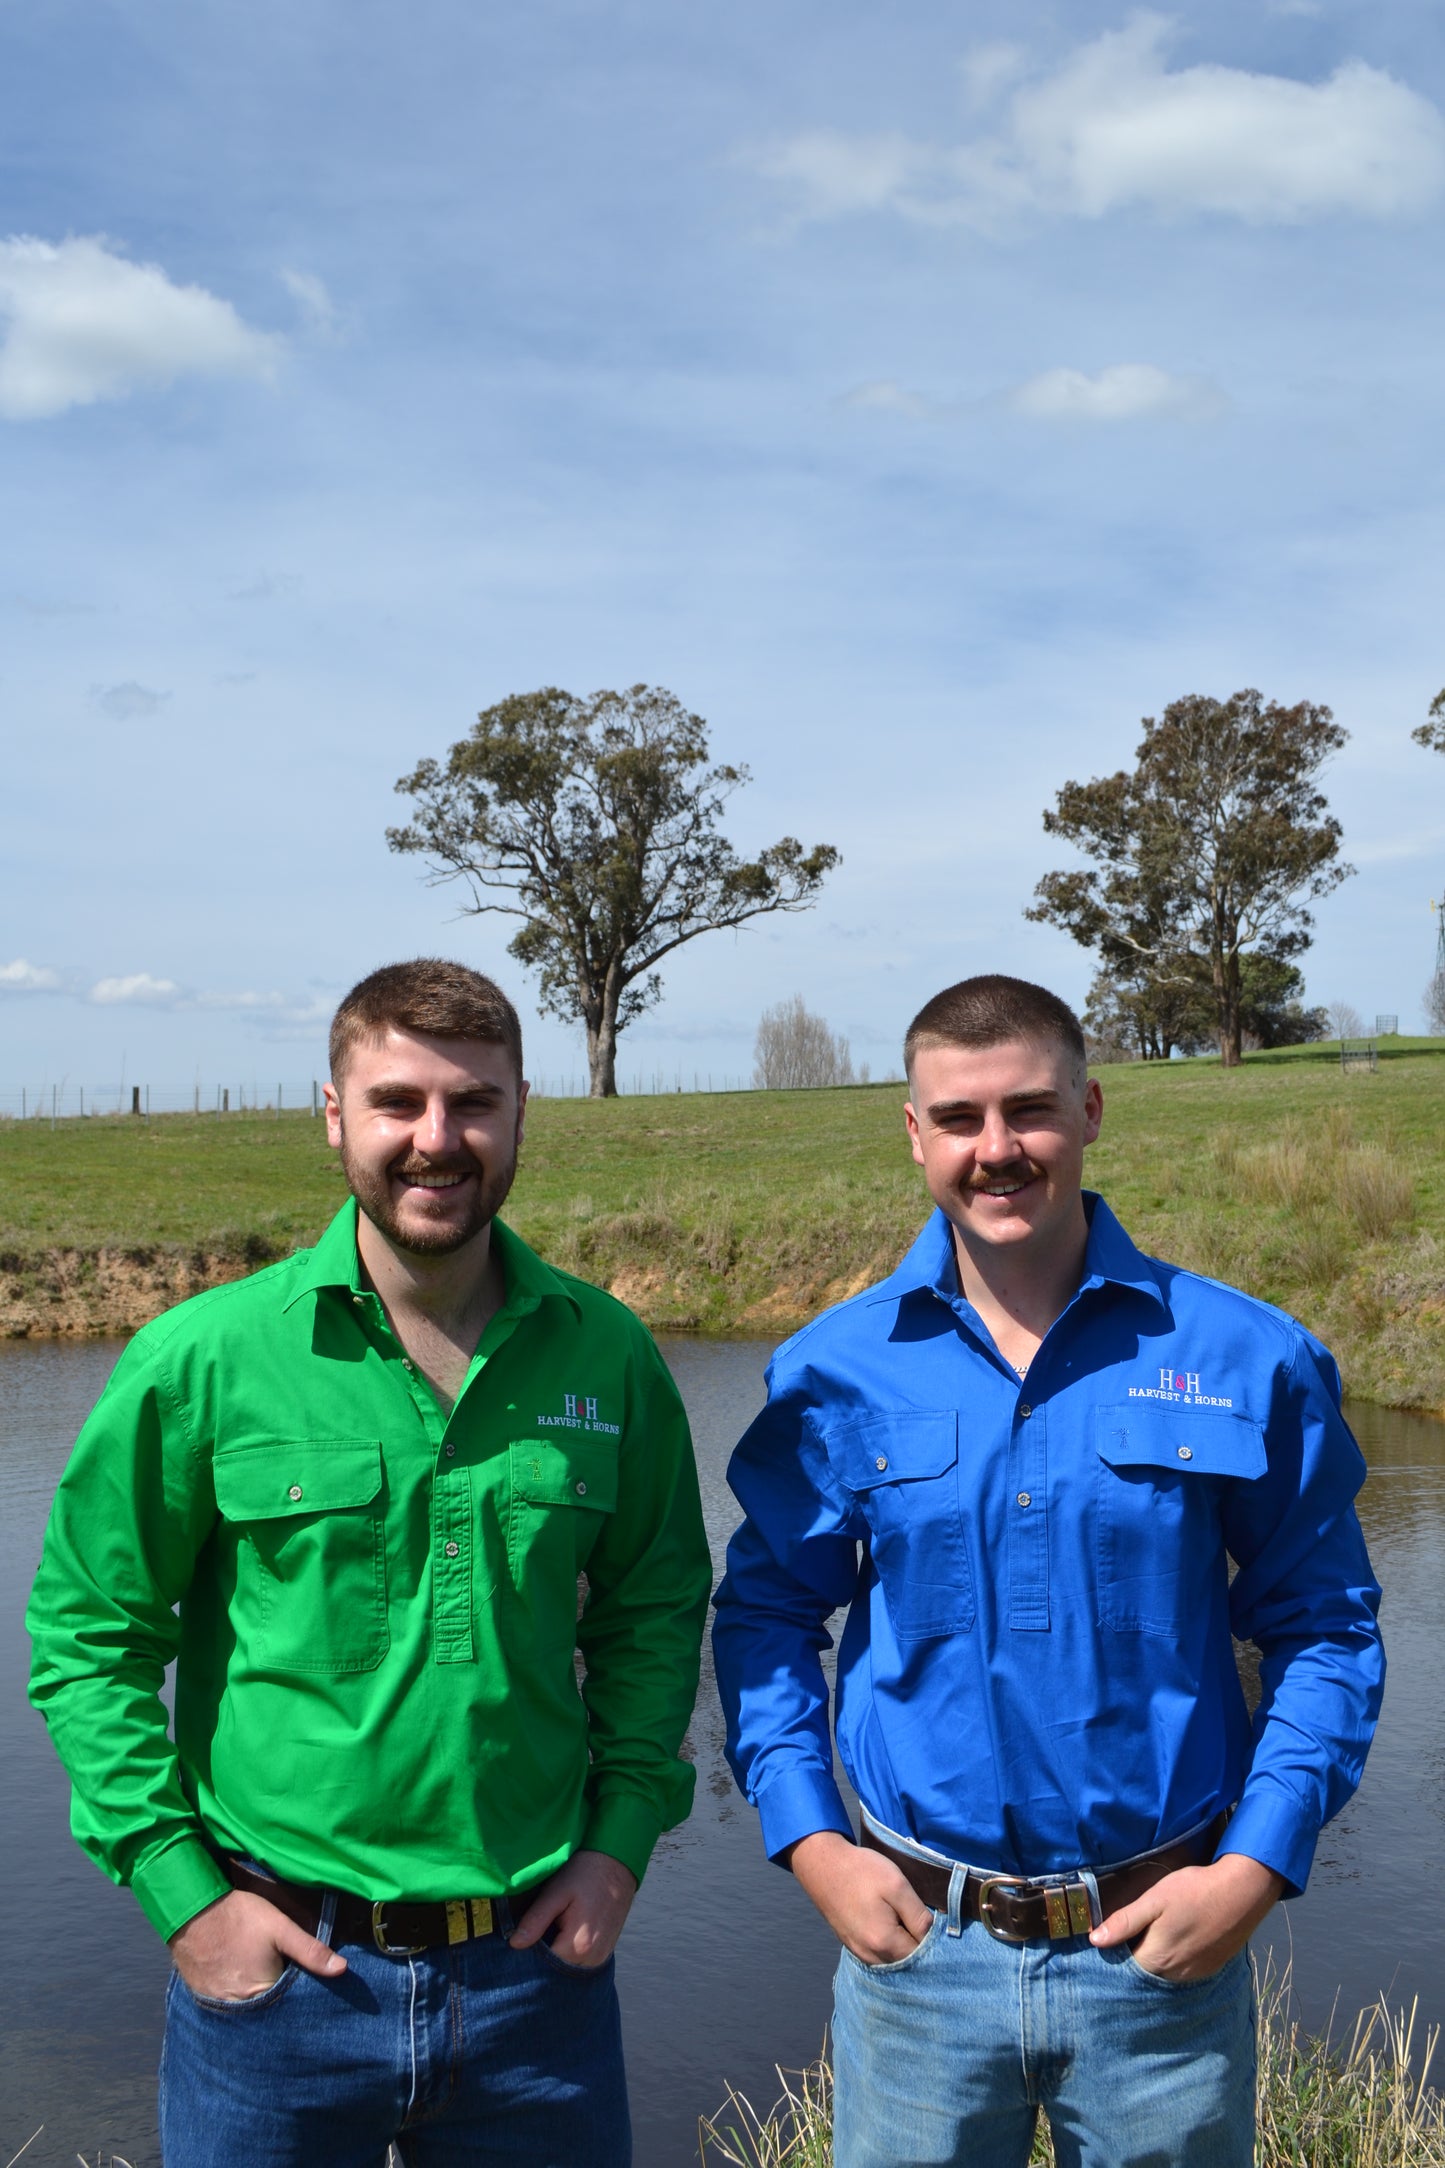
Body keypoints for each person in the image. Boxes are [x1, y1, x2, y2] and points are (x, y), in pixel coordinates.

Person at [28, 957, 711, 2167]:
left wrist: (619, 1841)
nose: (435, 1138)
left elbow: (655, 1612)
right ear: (335, 1114)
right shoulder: (204, 1360)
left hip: (535, 1984)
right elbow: (88, 1637)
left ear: (518, 1115)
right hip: (276, 1985)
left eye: (473, 1101)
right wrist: (180, 1889)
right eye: (398, 1100)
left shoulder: (604, 1354)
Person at [712, 973, 1384, 2168]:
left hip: (1160, 1959)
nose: (996, 1147)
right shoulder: (836, 1367)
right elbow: (765, 1611)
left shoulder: (1243, 1352)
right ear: (912, 1133)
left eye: (1027, 1108)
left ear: (1088, 1108)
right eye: (959, 1118)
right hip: (918, 1957)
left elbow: (1324, 1625)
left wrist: (1255, 1864)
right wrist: (811, 1839)